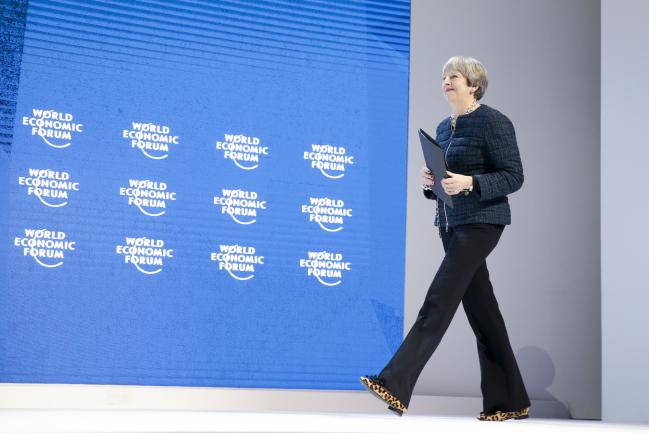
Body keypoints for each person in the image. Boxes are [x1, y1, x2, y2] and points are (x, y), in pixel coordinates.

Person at [360, 56, 531, 422]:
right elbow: (446, 181)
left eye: (454, 76)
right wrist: (432, 183)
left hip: (482, 222)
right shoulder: (442, 127)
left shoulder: (493, 121)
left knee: (438, 301)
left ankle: (395, 382)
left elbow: (514, 176)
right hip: (451, 224)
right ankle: (510, 401)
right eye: (443, 76)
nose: (446, 81)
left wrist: (471, 182)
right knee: (484, 314)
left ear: (473, 85)